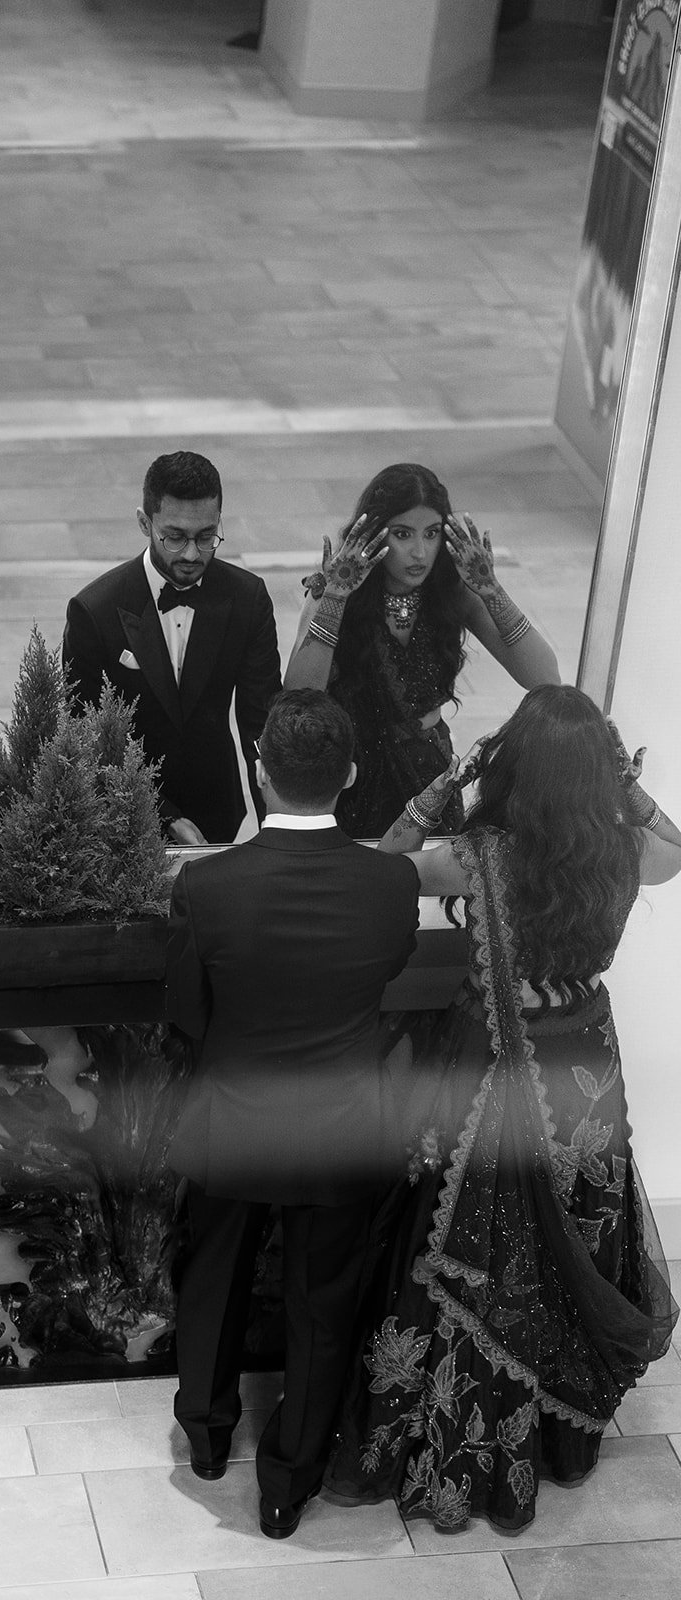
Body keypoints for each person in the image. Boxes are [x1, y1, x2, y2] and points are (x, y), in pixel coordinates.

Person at [326, 684, 680, 1532]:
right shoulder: (625, 852)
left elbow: (387, 858)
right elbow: (676, 843)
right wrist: (621, 781)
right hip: (585, 1067)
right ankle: (553, 1442)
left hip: (495, 1070)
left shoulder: (479, 857)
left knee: (483, 1249)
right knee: (572, 1235)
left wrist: (452, 777)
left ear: (514, 765)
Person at [165, 689, 421, 1539]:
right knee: (322, 1311)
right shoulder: (391, 884)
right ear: (348, 777)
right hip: (341, 1129)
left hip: (233, 1119)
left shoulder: (208, 886)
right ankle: (286, 1485)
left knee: (212, 1283)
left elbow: (189, 1018)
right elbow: (388, 973)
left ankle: (204, 1435)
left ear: (259, 771)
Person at [285, 462, 559, 839]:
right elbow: (300, 699)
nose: (419, 552)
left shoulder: (449, 592)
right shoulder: (336, 590)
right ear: (375, 535)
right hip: (351, 776)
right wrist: (335, 597)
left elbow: (545, 679)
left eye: (431, 534)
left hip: (429, 780)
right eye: (403, 534)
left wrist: (492, 592)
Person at [62, 450, 282, 844]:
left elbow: (261, 720)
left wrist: (278, 827)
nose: (193, 553)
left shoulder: (247, 598)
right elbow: (87, 735)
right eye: (175, 537)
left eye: (206, 536)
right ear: (145, 522)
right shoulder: (92, 611)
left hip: (218, 810)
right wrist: (162, 816)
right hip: (122, 814)